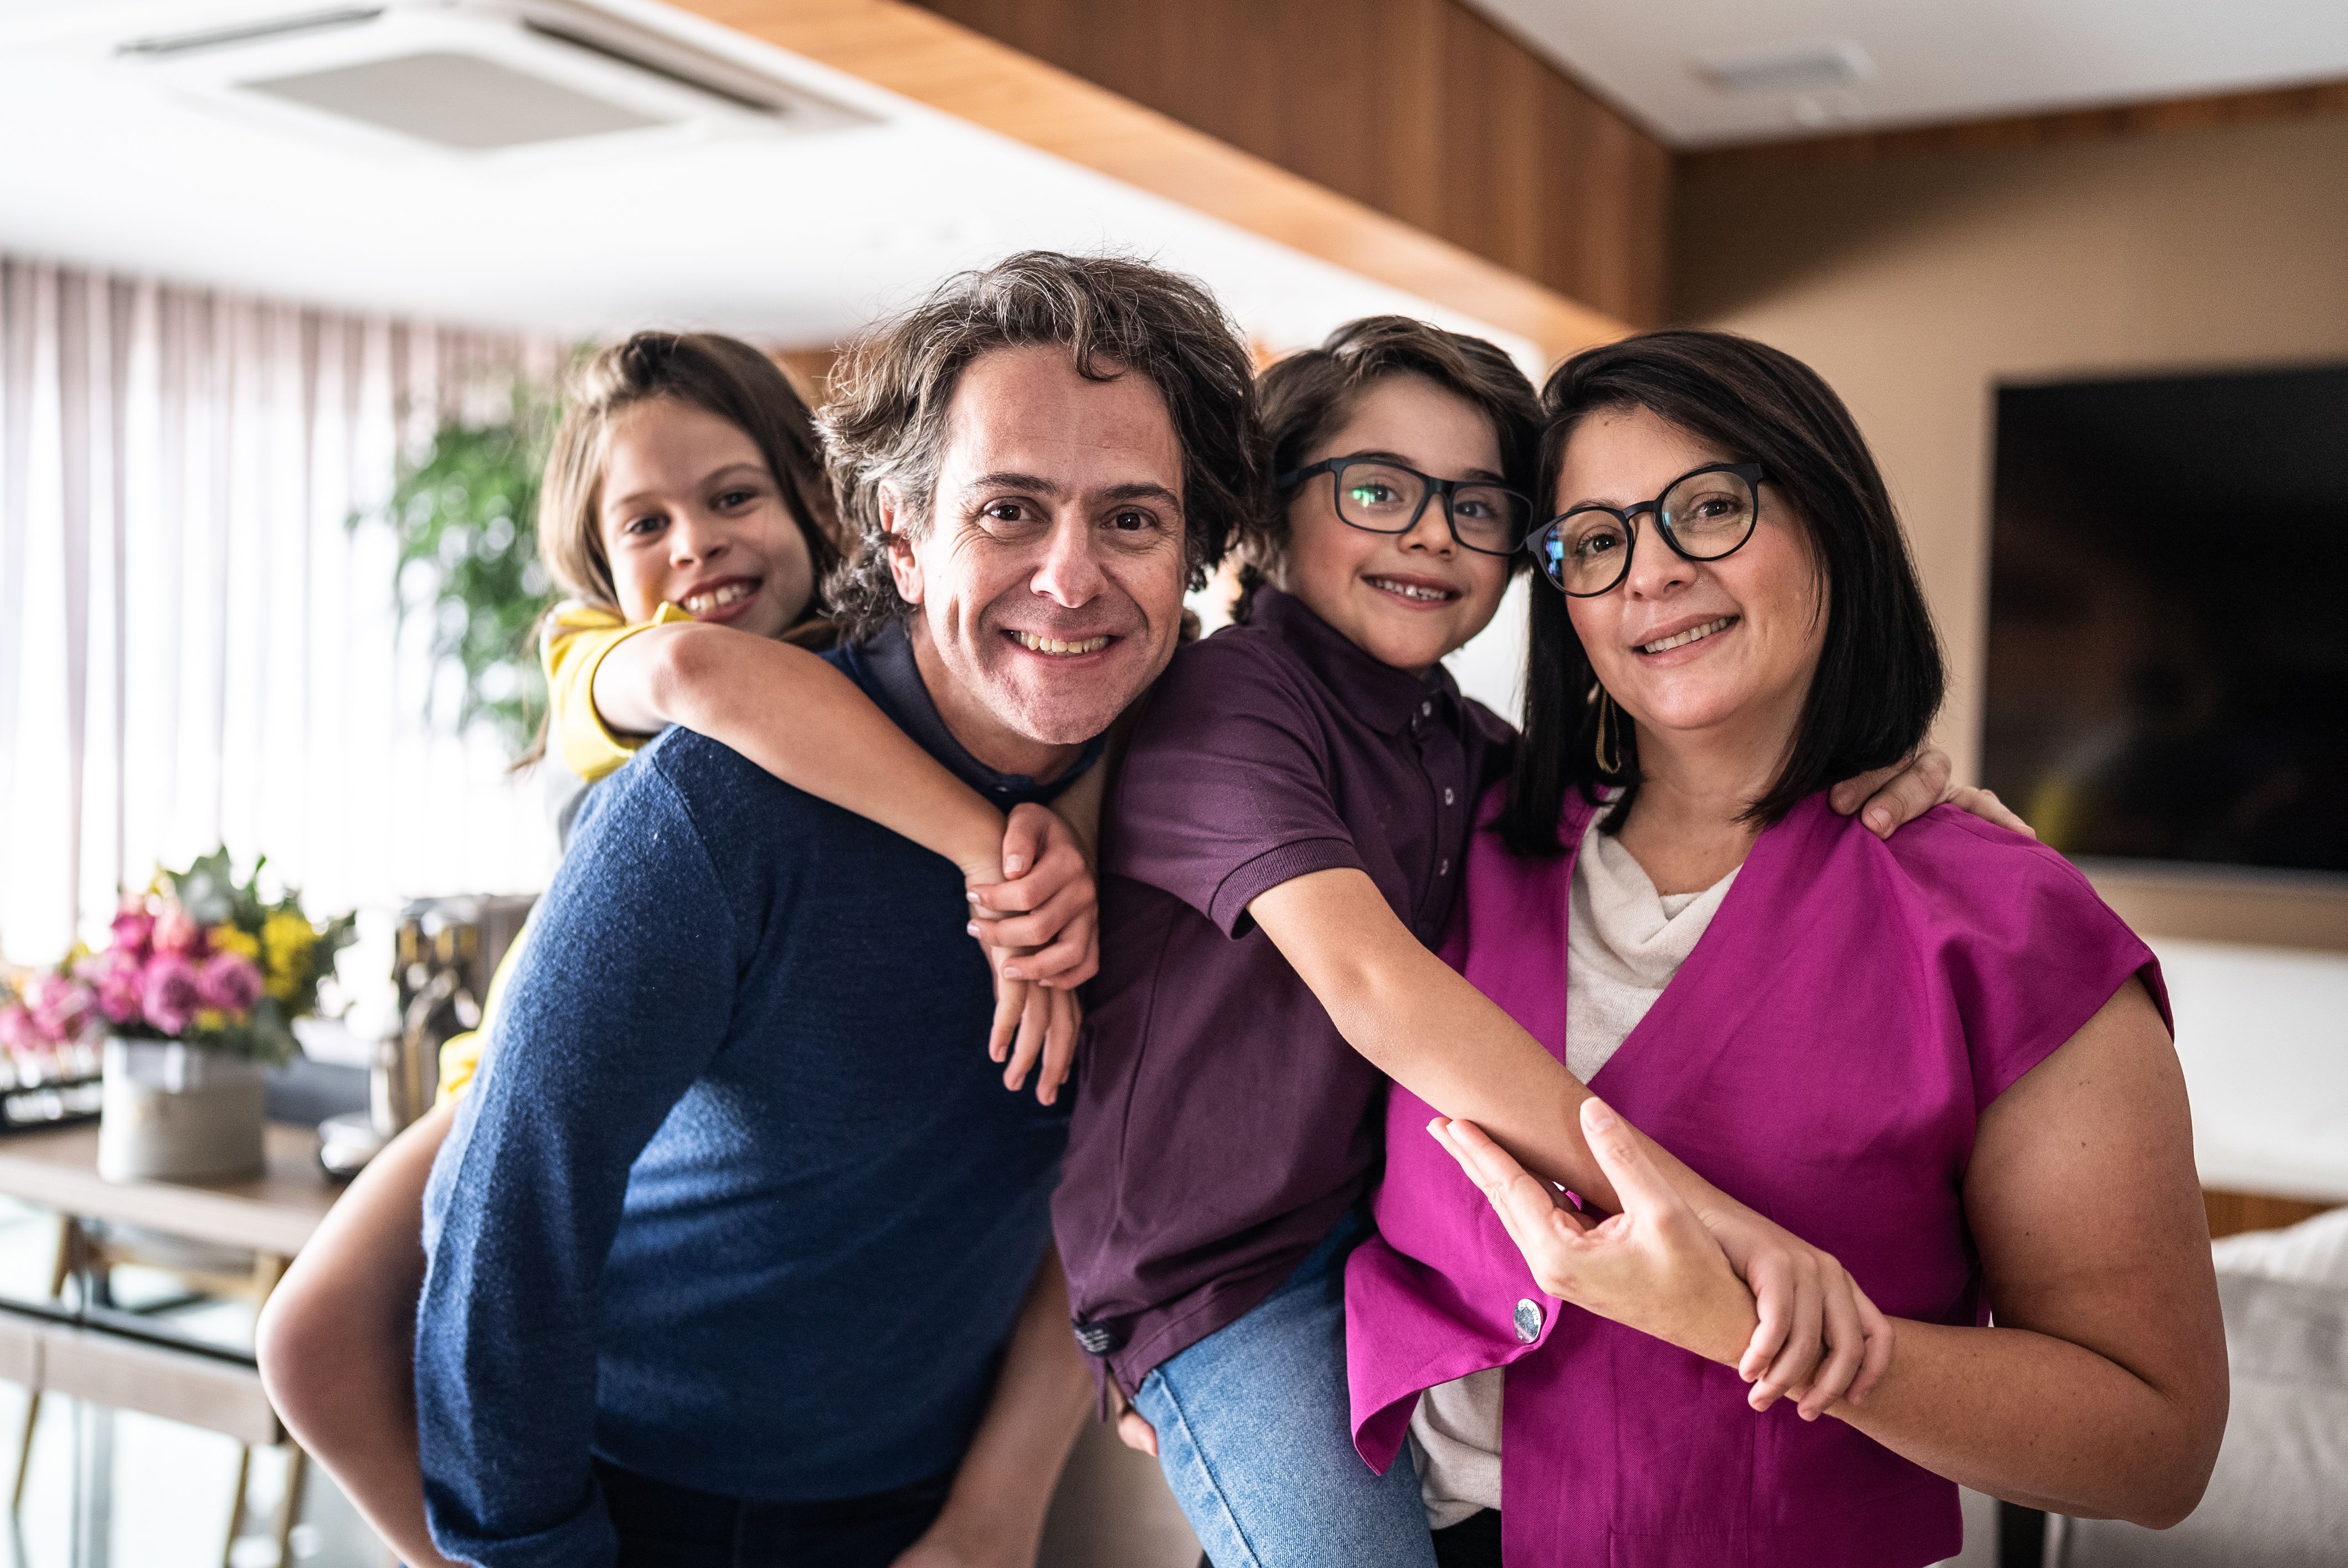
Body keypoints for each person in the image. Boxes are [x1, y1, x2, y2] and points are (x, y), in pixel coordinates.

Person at [1053, 318, 2020, 1567]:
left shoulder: (1463, 747)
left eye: (1477, 507)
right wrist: (1720, 1231)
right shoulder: (1232, 698)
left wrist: (1898, 767)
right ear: (1270, 513)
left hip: (1363, 1260)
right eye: (1376, 490)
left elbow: (1676, 803)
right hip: (1224, 1284)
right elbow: (1372, 984)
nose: (1430, 534)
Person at [401, 255, 1264, 1568]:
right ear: (899, 537)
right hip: (638, 1499)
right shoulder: (714, 806)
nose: (1070, 576)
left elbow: (1099, 1189)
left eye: (1132, 519)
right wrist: (527, 1549)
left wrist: (990, 1513)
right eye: (1009, 510)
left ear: (1189, 554)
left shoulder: (1186, 799)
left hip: (919, 1503)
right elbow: (515, 1207)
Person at [1350, 329, 2228, 1566]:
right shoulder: (1449, 843)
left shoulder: (2004, 926)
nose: (1651, 572)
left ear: (1832, 527)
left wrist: (1768, 1334)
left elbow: (2155, 1444)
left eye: (1710, 507)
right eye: (1594, 540)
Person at [256, 326, 1107, 1568]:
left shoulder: (882, 670)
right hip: (497, 1074)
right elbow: (710, 675)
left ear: (820, 506)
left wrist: (1061, 824)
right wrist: (1001, 862)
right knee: (316, 1335)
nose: (695, 544)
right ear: (598, 566)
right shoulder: (606, 660)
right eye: (645, 524)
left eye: (732, 498)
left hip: (855, 1419)